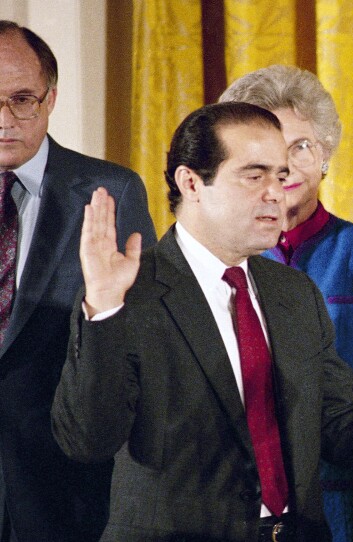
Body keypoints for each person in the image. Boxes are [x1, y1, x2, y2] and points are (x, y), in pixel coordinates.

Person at [50, 102, 353, 542]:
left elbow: (338, 422)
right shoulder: (128, 290)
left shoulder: (293, 293)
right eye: (254, 175)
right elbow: (87, 440)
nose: (275, 193)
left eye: (280, 176)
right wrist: (104, 307)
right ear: (191, 183)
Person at [218, 65, 353, 542]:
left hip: (341, 503)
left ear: (326, 155)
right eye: (266, 151)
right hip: (228, 504)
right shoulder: (213, 256)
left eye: (301, 147)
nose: (284, 166)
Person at [0, 21, 155, 541]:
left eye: (21, 99)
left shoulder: (109, 191)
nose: (4, 119)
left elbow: (143, 345)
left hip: (66, 485)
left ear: (50, 99)